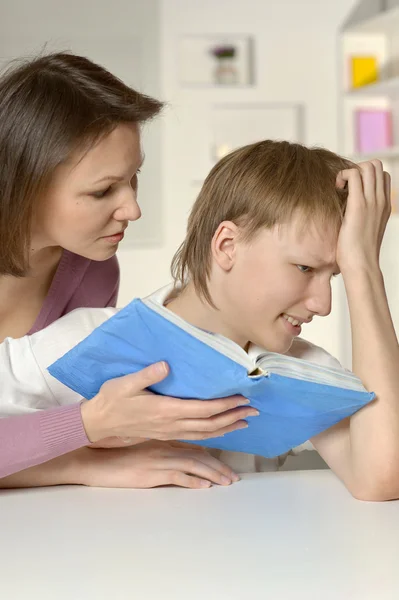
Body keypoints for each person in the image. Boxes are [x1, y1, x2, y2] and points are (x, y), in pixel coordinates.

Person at [1, 139, 397, 501]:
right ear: (227, 245)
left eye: (336, 275)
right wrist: (84, 457)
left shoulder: (304, 371)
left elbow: (382, 478)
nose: (324, 304)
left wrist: (364, 269)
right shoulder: (85, 337)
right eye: (305, 267)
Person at [0, 52, 257, 487]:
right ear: (24, 186)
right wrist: (83, 457)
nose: (133, 209)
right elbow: (74, 432)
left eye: (133, 177)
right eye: (103, 191)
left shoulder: (93, 273)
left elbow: (49, 430)